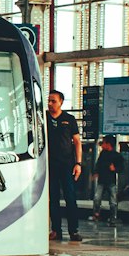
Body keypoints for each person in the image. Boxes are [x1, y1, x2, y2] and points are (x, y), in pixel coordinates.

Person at [46, 89, 82, 241]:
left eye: (53, 101)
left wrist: (78, 163)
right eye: (48, 100)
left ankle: (73, 230)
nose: (50, 103)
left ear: (61, 102)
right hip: (50, 164)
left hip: (67, 164)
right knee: (53, 198)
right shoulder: (43, 118)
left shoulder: (69, 119)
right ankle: (56, 230)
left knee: (70, 197)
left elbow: (77, 142)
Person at [90, 134, 119, 221]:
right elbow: (98, 165)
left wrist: (115, 169)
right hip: (101, 180)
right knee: (97, 198)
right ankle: (96, 214)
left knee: (113, 201)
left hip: (111, 181)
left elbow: (121, 168)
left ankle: (113, 216)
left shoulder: (116, 155)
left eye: (103, 143)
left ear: (108, 144)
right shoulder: (102, 154)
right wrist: (95, 173)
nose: (102, 145)